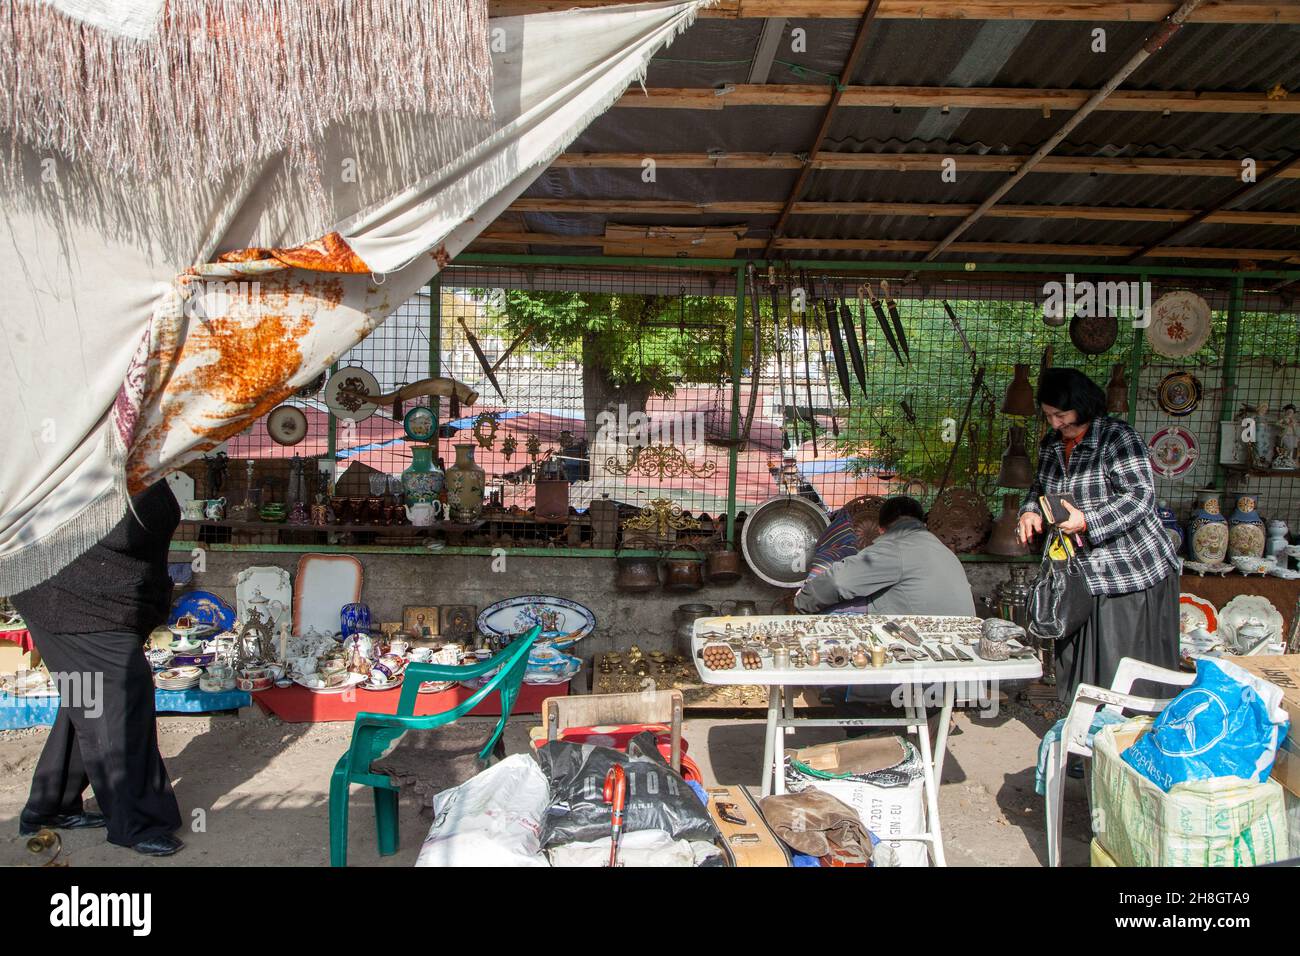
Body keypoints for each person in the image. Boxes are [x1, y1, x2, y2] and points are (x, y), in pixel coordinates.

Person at [9, 480, 185, 856]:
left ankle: (50, 806)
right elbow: (122, 531)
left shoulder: (132, 456)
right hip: (70, 600)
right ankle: (135, 823)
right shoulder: (93, 458)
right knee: (122, 706)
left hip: (93, 599)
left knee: (87, 701)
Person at [1017, 368, 1180, 707]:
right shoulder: (1051, 444)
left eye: (1061, 414)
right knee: (1081, 663)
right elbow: (1039, 487)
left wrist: (1087, 521)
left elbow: (1139, 496)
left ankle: (1123, 734)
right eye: (1049, 415)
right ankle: (1083, 728)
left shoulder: (1117, 438)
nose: (1055, 424)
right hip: (1079, 573)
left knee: (1122, 665)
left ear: (1082, 405)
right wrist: (1030, 510)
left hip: (1129, 571)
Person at [794, 496, 975, 616]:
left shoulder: (897, 546)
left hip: (930, 643)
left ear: (881, 530)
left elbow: (838, 581)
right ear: (922, 523)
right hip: (959, 637)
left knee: (828, 610)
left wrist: (803, 600)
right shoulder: (940, 549)